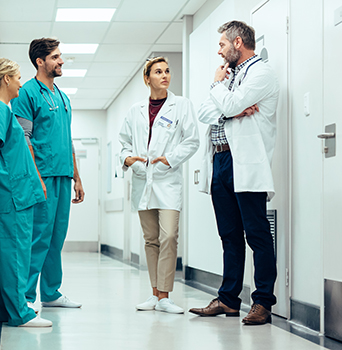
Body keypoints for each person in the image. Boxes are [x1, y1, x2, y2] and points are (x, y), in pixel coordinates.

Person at [188, 20, 279, 325]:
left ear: (238, 42)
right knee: (229, 234)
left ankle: (263, 302)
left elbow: (231, 102)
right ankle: (228, 299)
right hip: (221, 162)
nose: (219, 50)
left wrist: (222, 94)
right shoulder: (230, 75)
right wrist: (228, 105)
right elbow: (205, 112)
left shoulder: (261, 73)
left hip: (246, 163)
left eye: (222, 44)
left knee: (256, 233)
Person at [119, 57, 199, 314]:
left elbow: (192, 140)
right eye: (158, 72)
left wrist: (171, 159)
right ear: (147, 79)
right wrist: (128, 159)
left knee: (169, 236)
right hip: (143, 181)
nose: (164, 75)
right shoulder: (135, 110)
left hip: (168, 180)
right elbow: (123, 143)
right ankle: (154, 294)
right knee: (151, 239)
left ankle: (165, 295)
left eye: (167, 71)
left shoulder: (182, 105)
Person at [11, 38, 84, 311]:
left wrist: (77, 177)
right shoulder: (27, 93)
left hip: (63, 176)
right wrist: (37, 178)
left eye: (60, 56)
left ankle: (51, 293)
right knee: (39, 237)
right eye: (55, 57)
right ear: (40, 61)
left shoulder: (62, 97)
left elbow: (68, 139)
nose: (61, 61)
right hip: (42, 176)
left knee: (56, 237)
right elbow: (25, 138)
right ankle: (26, 298)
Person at [0, 57, 52, 327]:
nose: (22, 83)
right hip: (11, 194)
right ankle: (21, 313)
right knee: (15, 255)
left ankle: (10, 312)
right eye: (19, 77)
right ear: (7, 79)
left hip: (11, 193)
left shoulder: (1, 109)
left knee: (7, 256)